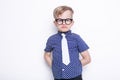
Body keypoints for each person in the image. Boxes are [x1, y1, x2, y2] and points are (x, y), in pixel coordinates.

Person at [44, 5, 91, 80]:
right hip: (58, 76)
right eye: (60, 20)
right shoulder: (51, 39)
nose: (64, 23)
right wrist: (54, 66)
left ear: (72, 22)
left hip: (76, 76)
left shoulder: (76, 38)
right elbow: (47, 55)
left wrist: (74, 67)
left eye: (67, 20)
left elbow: (87, 58)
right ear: (55, 23)